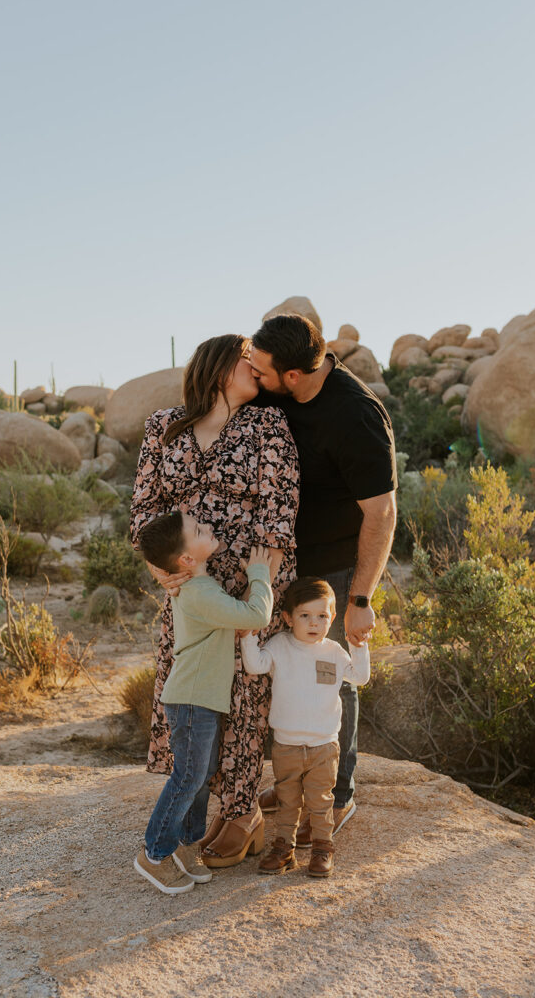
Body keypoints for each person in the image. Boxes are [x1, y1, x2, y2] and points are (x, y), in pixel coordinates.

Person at [130, 334, 299, 867]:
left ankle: (243, 809)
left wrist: (262, 583)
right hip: (188, 590)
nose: (256, 367)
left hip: (248, 587)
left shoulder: (267, 426)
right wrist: (161, 568)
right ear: (220, 367)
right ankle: (195, 814)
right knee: (195, 696)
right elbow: (143, 513)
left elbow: (280, 506)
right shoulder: (163, 427)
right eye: (246, 359)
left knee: (246, 697)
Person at [248, 314, 397, 844]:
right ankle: (294, 781)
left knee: (329, 671)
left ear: (291, 376)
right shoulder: (274, 392)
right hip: (278, 558)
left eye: (261, 370)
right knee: (279, 667)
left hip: (335, 567)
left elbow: (381, 513)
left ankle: (336, 794)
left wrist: (360, 597)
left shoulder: (355, 414)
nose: (254, 376)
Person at [133, 511, 274, 894]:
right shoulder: (199, 592)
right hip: (192, 699)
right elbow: (257, 614)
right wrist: (261, 573)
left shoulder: (198, 586)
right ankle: (155, 854)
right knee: (189, 776)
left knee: (200, 773)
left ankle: (186, 847)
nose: (208, 527)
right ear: (186, 560)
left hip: (199, 698)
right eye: (198, 530)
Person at [241, 577, 370, 878]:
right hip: (286, 744)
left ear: (332, 618)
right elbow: (255, 665)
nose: (314, 623)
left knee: (320, 801)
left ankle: (323, 849)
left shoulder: (335, 651)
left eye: (322, 616)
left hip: (324, 746)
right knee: (287, 800)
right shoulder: (280, 645)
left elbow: (360, 677)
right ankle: (284, 848)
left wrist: (358, 645)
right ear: (288, 617)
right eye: (305, 616)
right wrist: (248, 636)